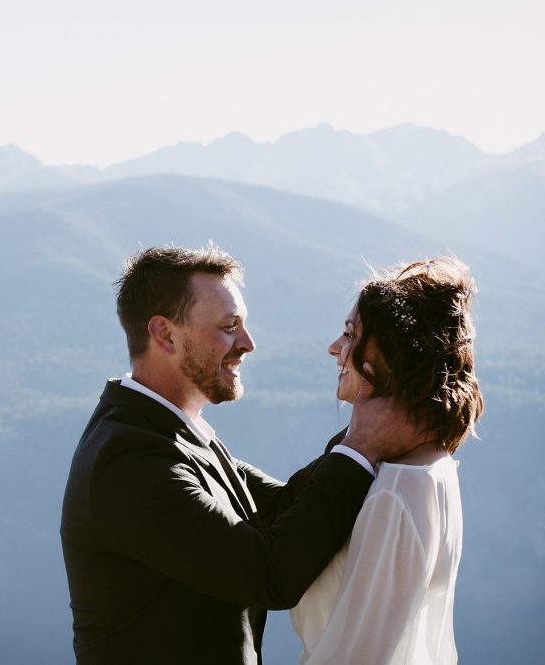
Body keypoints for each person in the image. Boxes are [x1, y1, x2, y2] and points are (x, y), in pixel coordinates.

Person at [60, 244, 425, 665]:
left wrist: (371, 422)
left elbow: (282, 507)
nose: (248, 343)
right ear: (164, 333)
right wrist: (362, 445)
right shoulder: (127, 462)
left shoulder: (171, 432)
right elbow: (270, 574)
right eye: (229, 326)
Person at [290, 257, 483, 664]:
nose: (334, 348)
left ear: (389, 352)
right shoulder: (434, 465)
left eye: (349, 335)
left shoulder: (394, 492)